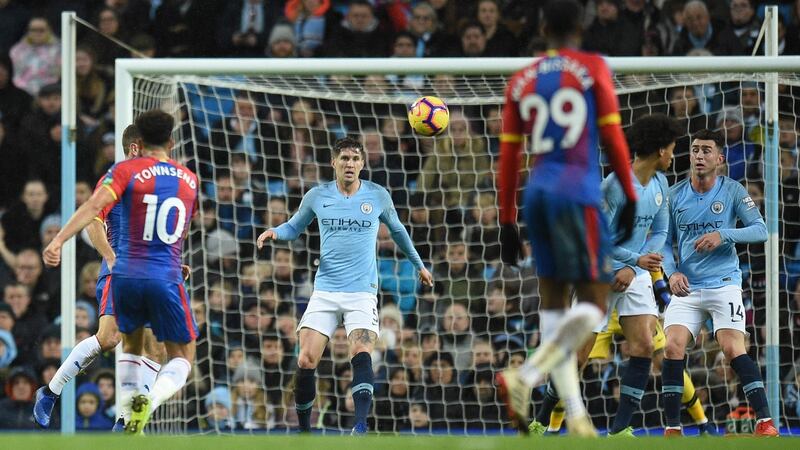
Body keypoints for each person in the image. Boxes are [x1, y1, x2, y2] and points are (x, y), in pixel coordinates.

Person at [494, 0, 637, 437]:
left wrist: (506, 218)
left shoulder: (522, 79)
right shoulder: (593, 67)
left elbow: (510, 156)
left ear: (541, 26)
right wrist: (630, 192)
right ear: (582, 24)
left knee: (554, 308)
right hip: (578, 192)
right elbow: (612, 134)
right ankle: (528, 375)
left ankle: (576, 416)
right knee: (594, 305)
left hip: (537, 193)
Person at [529, 114, 712, 435]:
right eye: (670, 149)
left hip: (635, 273)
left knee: (643, 344)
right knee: (580, 355)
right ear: (658, 151)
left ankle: (620, 429)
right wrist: (631, 260)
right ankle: (541, 421)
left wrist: (633, 265)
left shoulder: (660, 184)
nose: (673, 156)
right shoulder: (613, 187)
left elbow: (661, 229)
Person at [256, 137, 433, 434]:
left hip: (362, 292)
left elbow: (399, 231)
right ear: (333, 163)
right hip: (325, 290)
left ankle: (360, 425)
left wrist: (419, 265)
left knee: (361, 351)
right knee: (306, 358)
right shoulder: (317, 196)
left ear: (362, 164)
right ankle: (304, 433)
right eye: (344, 158)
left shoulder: (377, 195)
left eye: (355, 158)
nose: (349, 163)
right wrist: (275, 232)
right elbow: (294, 227)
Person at [42, 110, 199, 435]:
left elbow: (169, 228)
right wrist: (110, 255)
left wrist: (58, 240)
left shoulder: (136, 174)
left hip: (143, 272)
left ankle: (127, 420)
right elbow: (94, 217)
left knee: (150, 346)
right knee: (132, 343)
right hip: (128, 268)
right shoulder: (181, 177)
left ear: (140, 144)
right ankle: (56, 392)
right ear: (170, 142)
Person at [660, 129, 777, 437]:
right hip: (686, 286)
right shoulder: (674, 195)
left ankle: (765, 422)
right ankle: (672, 428)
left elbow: (760, 230)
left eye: (706, 150)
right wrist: (671, 273)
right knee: (672, 347)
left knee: (731, 346)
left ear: (720, 159)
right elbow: (663, 242)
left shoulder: (734, 191)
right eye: (695, 150)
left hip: (724, 282)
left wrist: (723, 234)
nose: (699, 155)